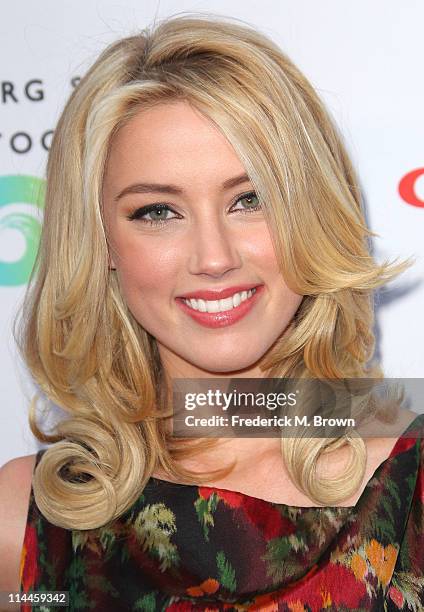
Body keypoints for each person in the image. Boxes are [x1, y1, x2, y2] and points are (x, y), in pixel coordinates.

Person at [0, 13, 423, 611]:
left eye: (251, 200)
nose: (214, 258)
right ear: (101, 243)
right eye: (156, 211)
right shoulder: (25, 520)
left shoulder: (413, 485)